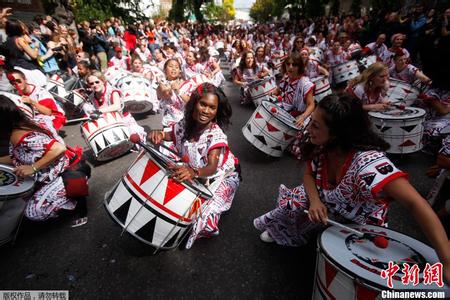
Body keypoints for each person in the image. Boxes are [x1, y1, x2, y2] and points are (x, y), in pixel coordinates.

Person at [253, 94, 450, 284]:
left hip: (360, 217)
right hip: (328, 203)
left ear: (338, 133)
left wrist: (447, 261)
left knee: (365, 263)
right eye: (311, 121)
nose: (308, 128)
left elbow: (416, 203)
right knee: (295, 201)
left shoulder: (369, 164)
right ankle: (283, 229)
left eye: (315, 125)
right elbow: (309, 175)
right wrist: (314, 201)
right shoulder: (321, 145)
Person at [148, 83, 240, 249]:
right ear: (194, 103)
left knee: (202, 221)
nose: (206, 110)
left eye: (212, 107)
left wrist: (193, 172)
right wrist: (159, 134)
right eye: (203, 104)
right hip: (196, 170)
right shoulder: (186, 123)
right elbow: (171, 134)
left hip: (224, 176)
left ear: (217, 111)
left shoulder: (216, 135)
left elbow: (212, 167)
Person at [0, 97, 89, 225]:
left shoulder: (23, 136)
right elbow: (16, 155)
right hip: (54, 171)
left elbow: (59, 148)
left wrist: (33, 167)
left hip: (67, 172)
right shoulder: (23, 124)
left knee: (32, 212)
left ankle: (73, 197)